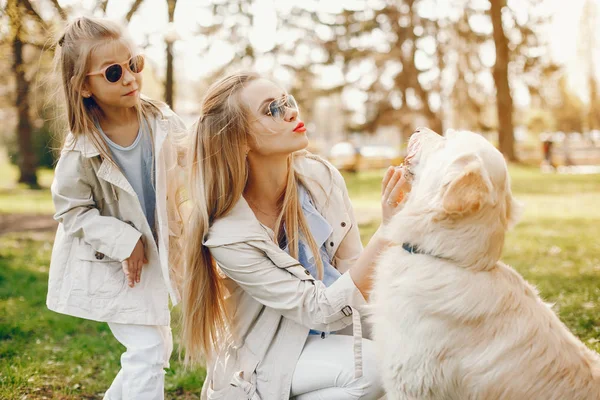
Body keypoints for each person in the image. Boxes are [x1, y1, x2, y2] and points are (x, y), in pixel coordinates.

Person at [181, 72, 409, 399]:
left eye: (287, 101)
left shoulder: (321, 177)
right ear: (240, 140)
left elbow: (353, 269)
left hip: (335, 329)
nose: (291, 112)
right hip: (271, 354)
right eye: (271, 109)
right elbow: (319, 310)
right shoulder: (228, 235)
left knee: (421, 345)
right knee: (374, 369)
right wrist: (388, 231)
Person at [46, 16, 186, 400]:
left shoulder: (162, 120)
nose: (129, 78)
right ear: (84, 87)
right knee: (148, 351)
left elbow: (194, 166)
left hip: (156, 258)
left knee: (153, 349)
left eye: (134, 64)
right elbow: (71, 211)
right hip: (115, 266)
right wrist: (123, 239)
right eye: (112, 72)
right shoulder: (82, 150)